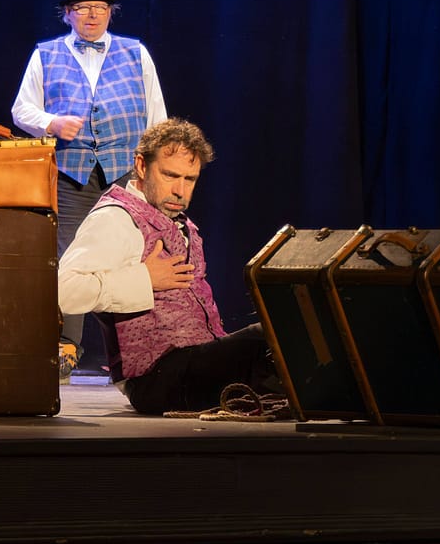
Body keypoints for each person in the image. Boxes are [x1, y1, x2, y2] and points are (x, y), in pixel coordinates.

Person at [57, 119, 281, 414]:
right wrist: (144, 279)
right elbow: (62, 290)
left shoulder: (179, 222)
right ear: (141, 166)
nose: (180, 190)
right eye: (170, 175)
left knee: (284, 334)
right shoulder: (116, 218)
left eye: (190, 179)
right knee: (269, 339)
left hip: (195, 364)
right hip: (155, 378)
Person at [12, 0, 167, 381]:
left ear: (111, 12)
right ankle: (66, 348)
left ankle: (138, 351)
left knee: (130, 256)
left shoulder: (135, 53)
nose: (93, 15)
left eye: (100, 8)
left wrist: (152, 169)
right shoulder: (46, 55)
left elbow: (157, 115)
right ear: (67, 14)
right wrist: (51, 122)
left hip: (125, 173)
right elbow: (22, 110)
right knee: (71, 259)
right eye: (83, 8)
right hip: (73, 173)